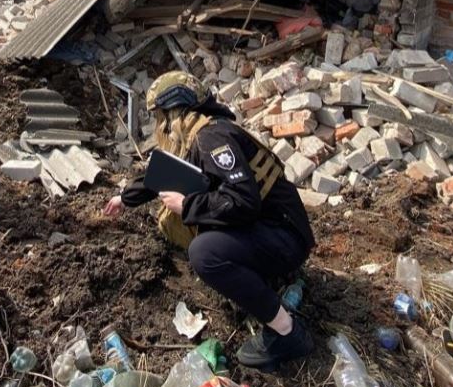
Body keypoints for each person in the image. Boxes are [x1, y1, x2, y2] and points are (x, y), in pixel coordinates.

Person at [102, 72, 316, 370]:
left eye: (161, 117)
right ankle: (265, 278)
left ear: (175, 111)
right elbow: (168, 172)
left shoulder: (212, 138)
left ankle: (287, 332)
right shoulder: (202, 132)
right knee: (210, 230)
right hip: (276, 229)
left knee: (205, 253)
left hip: (286, 237)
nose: (161, 126)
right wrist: (125, 198)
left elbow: (243, 200)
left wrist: (186, 205)